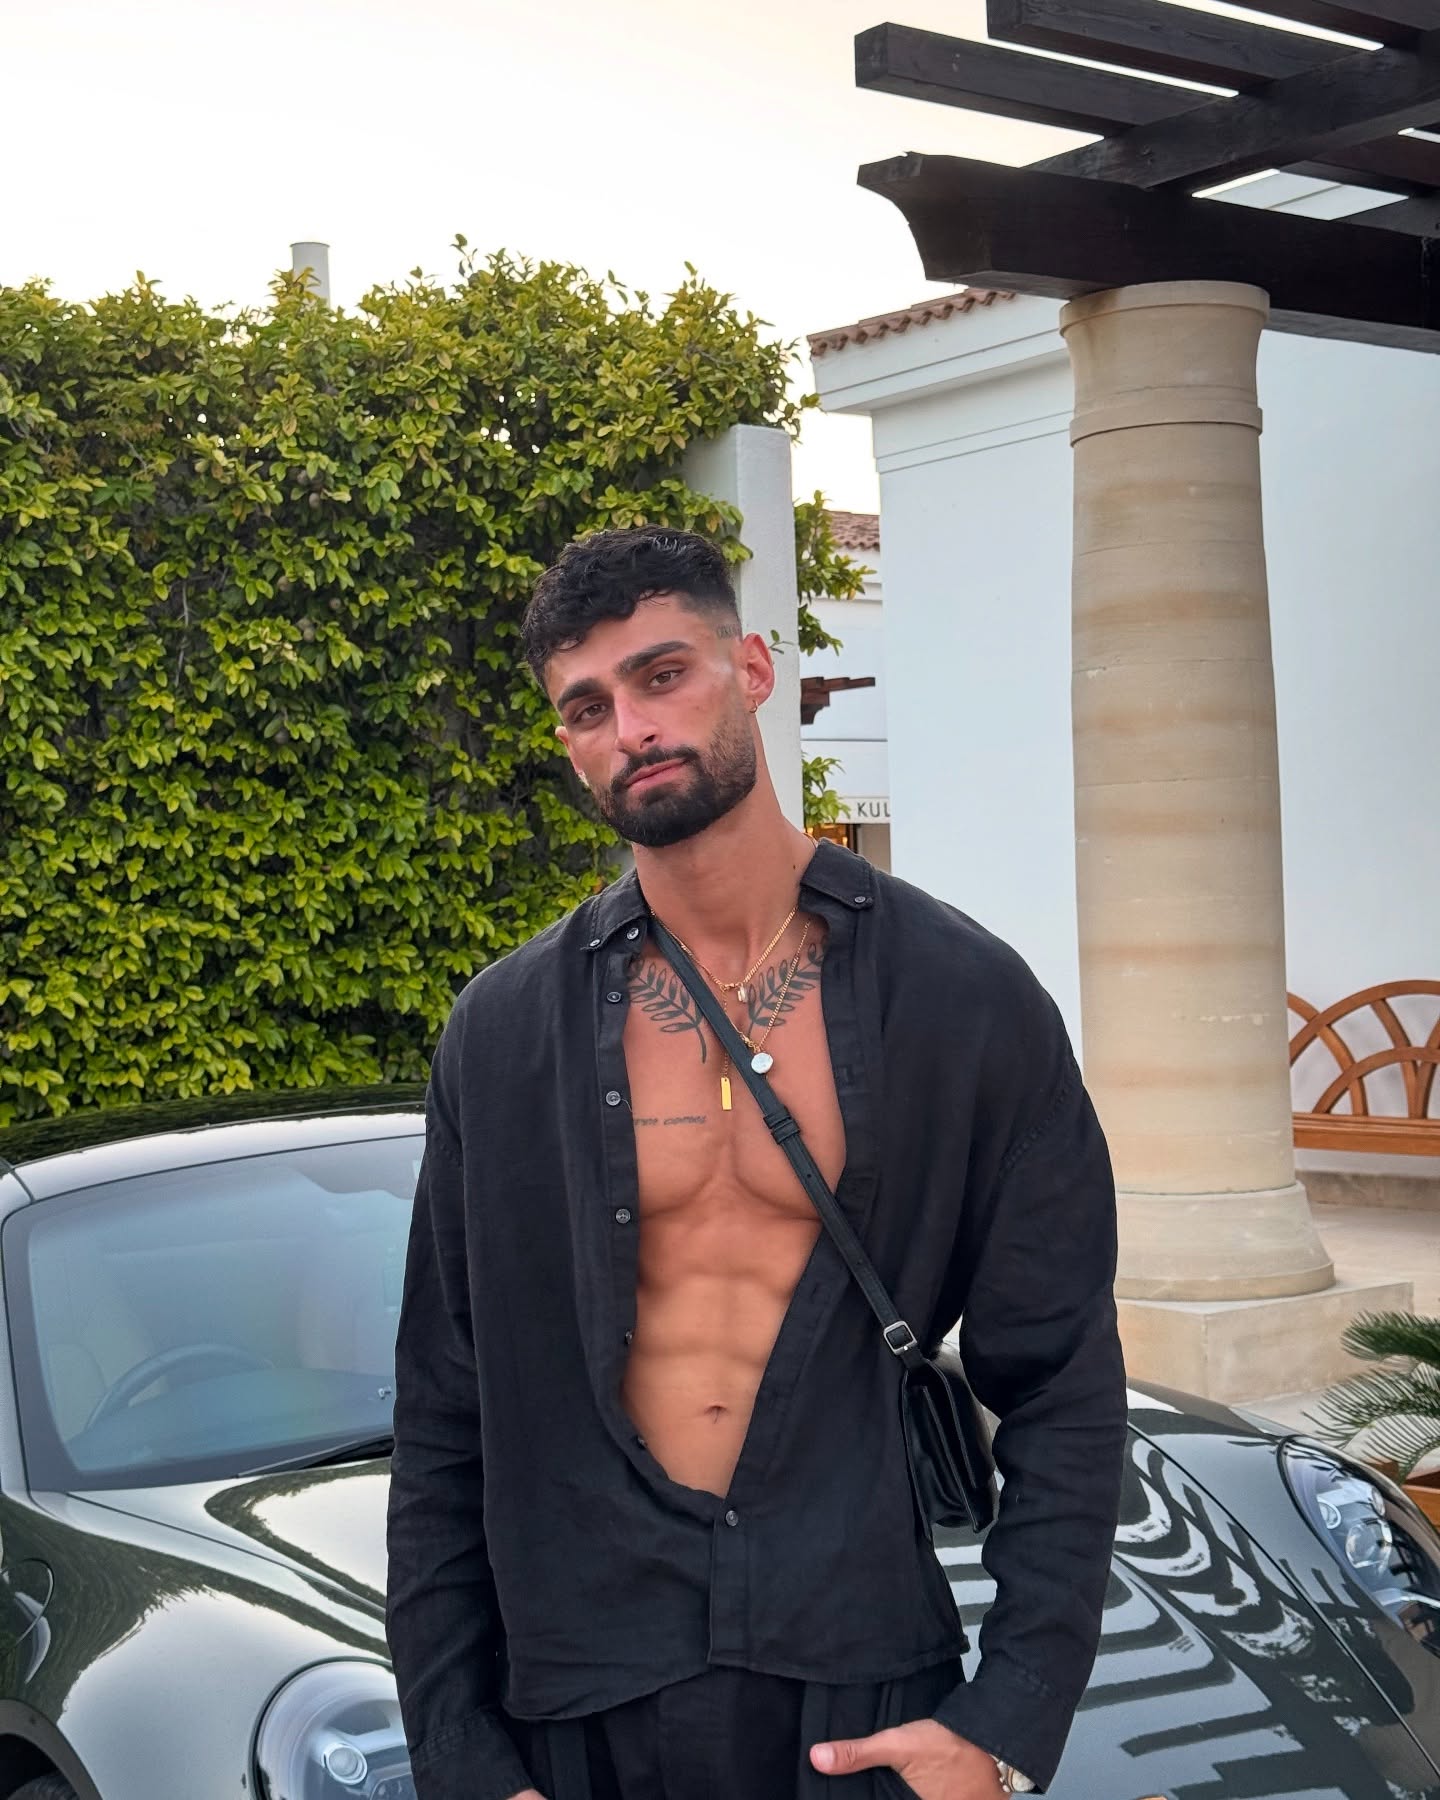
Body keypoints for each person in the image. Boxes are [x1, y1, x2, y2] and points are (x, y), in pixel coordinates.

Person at [385, 526, 1128, 1800]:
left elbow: (1061, 1377)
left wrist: (1004, 1721)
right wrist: (461, 1759)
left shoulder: (963, 997)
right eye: (588, 707)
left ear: (753, 667)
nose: (631, 728)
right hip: (582, 1691)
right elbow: (444, 1412)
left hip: (860, 1676)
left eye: (662, 674)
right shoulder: (501, 1035)